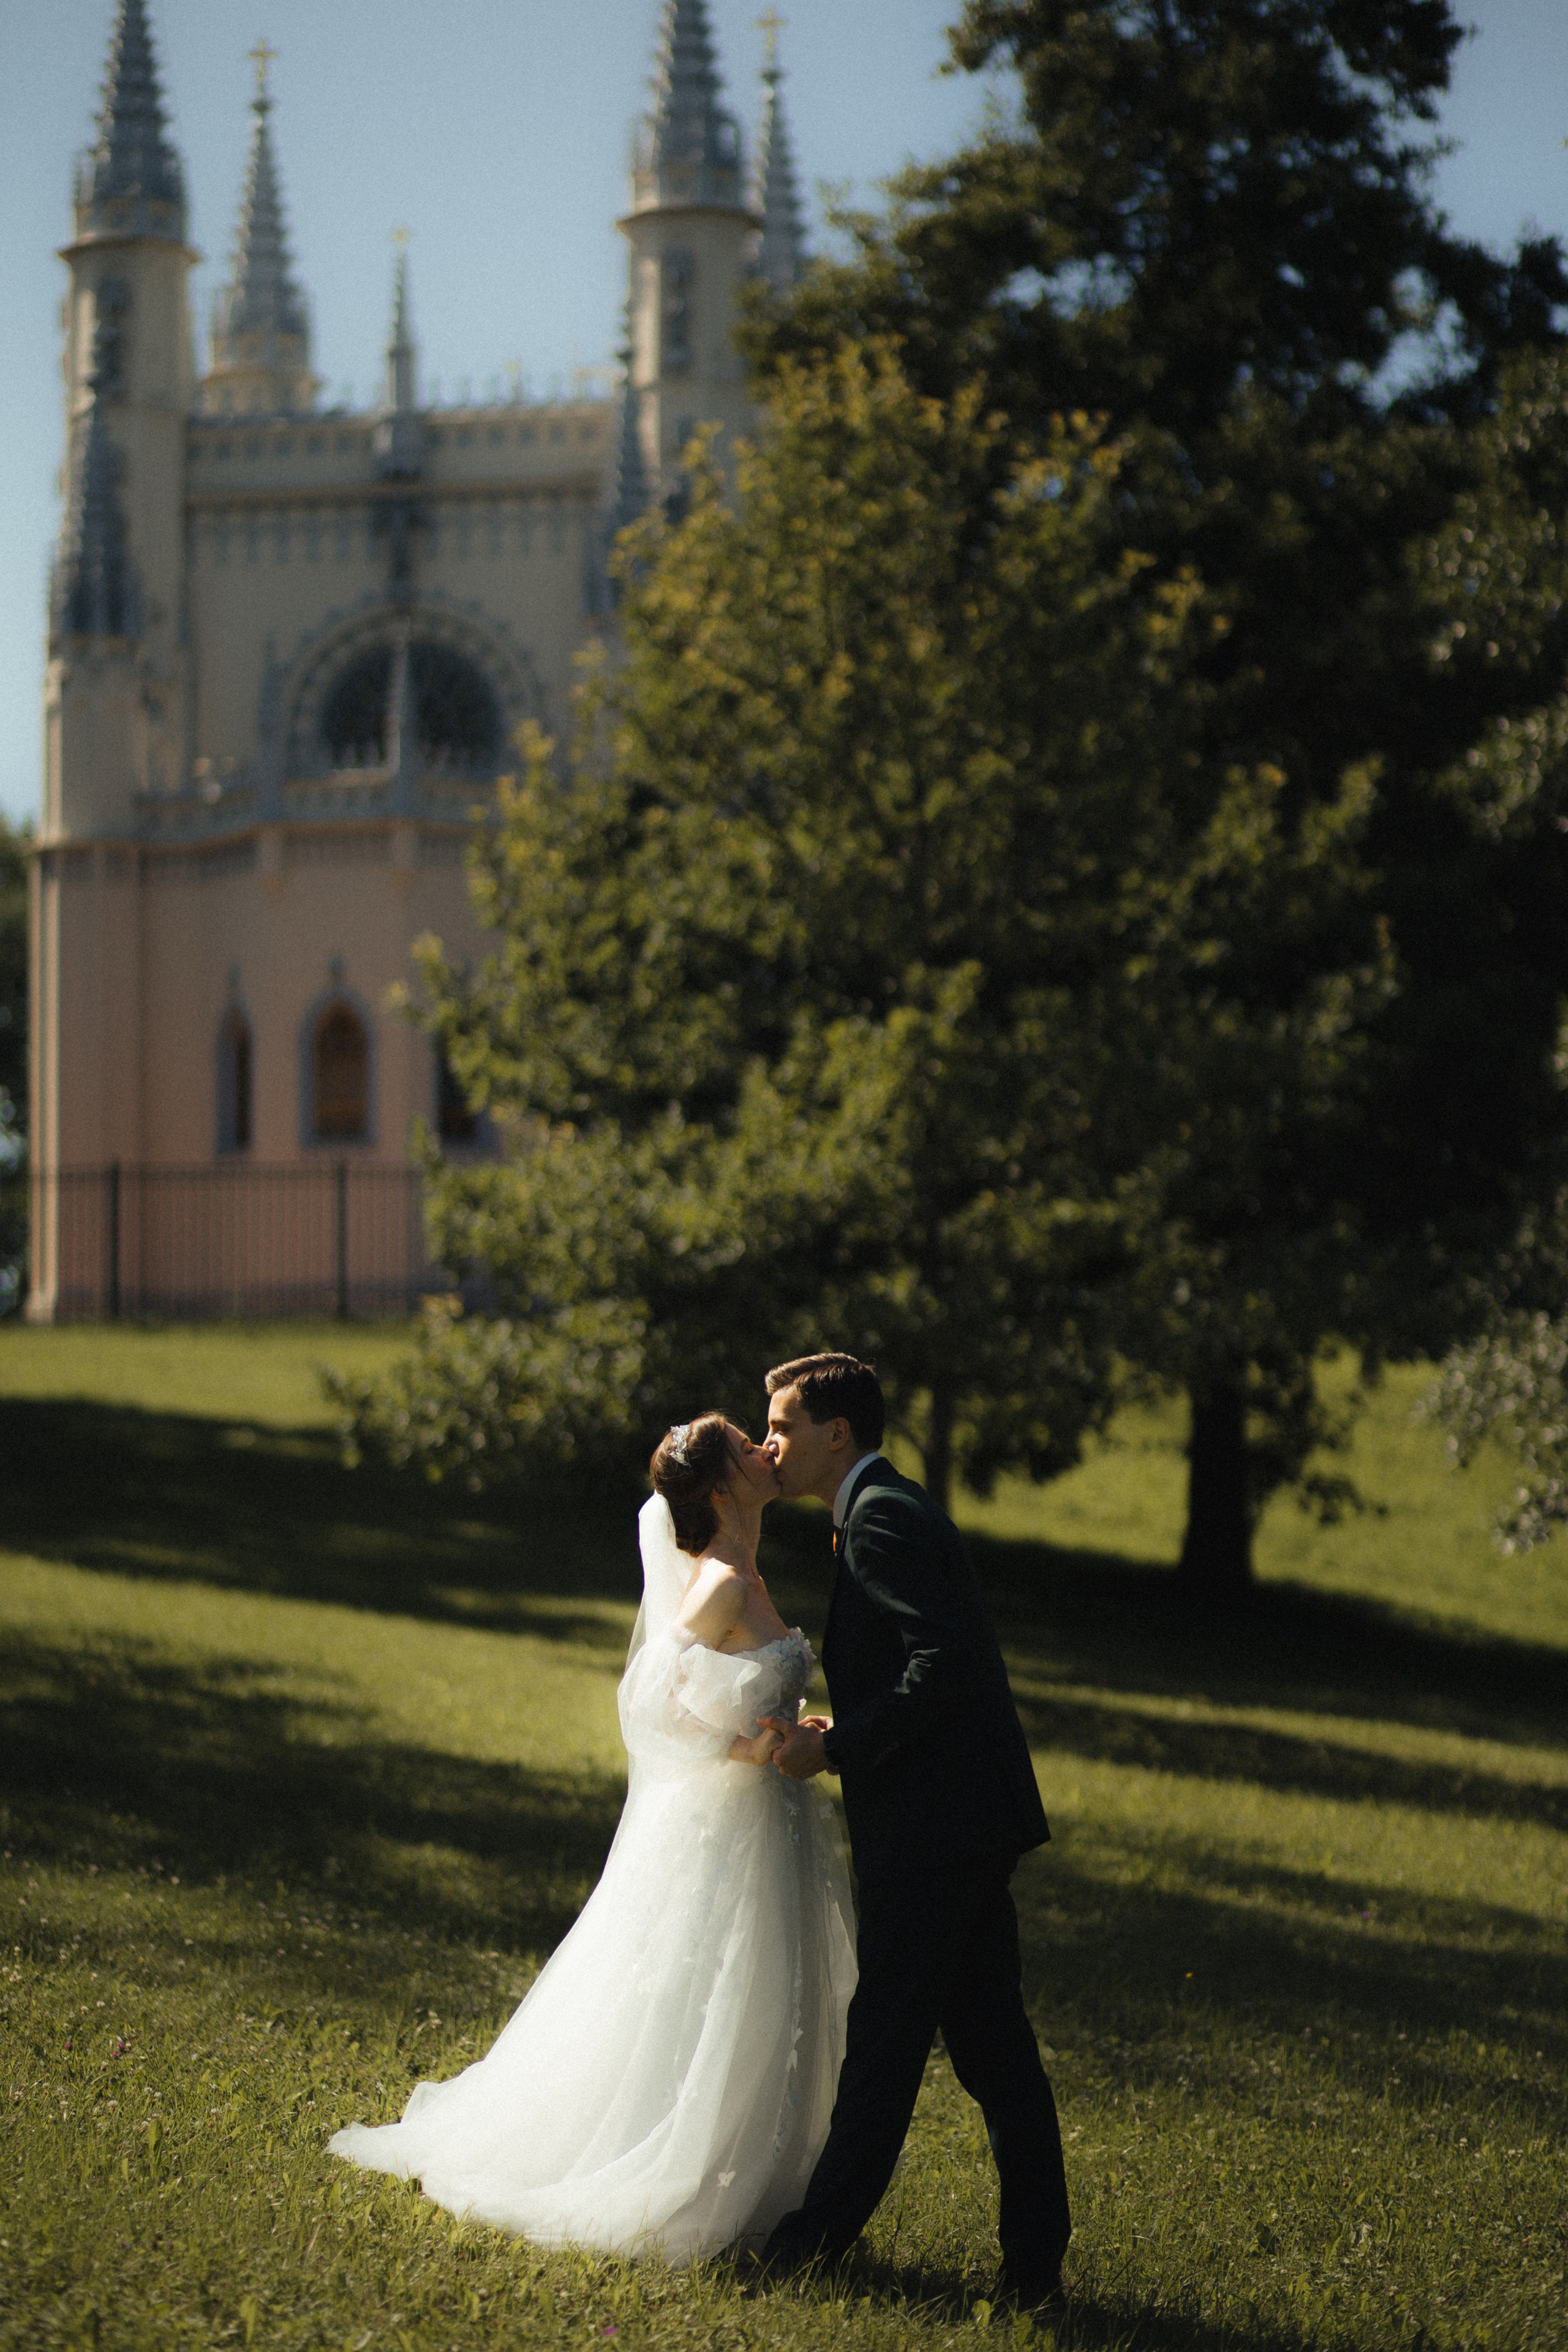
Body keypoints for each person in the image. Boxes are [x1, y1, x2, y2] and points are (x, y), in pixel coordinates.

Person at [328, 1415, 856, 2261]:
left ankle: (749, 2176)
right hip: (727, 1822)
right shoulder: (720, 1580)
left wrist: (790, 1728)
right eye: (747, 1449)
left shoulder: (745, 1570)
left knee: (762, 1994)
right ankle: (664, 2163)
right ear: (721, 1490)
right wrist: (743, 1746)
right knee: (703, 1989)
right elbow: (650, 1697)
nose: (766, 1451)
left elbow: (737, 1685)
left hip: (769, 1819)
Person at [758, 1353, 1072, 2307]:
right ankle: (1034, 2275)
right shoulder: (883, 1507)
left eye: (782, 1424)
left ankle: (812, 2246)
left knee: (888, 2036)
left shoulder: (883, 1519)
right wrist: (844, 1728)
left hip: (938, 1831)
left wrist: (839, 1747)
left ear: (836, 1433)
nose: (771, 1442)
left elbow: (946, 1668)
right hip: (962, 1821)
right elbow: (921, 1665)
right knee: (991, 2049)